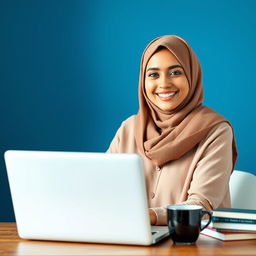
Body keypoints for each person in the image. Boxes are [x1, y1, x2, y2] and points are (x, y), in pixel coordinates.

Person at [107, 35, 238, 225]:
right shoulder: (129, 128)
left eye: (175, 72)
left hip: (194, 243)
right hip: (132, 239)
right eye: (153, 74)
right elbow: (103, 187)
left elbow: (200, 206)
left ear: (192, 76)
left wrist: (148, 217)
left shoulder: (215, 130)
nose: (164, 84)